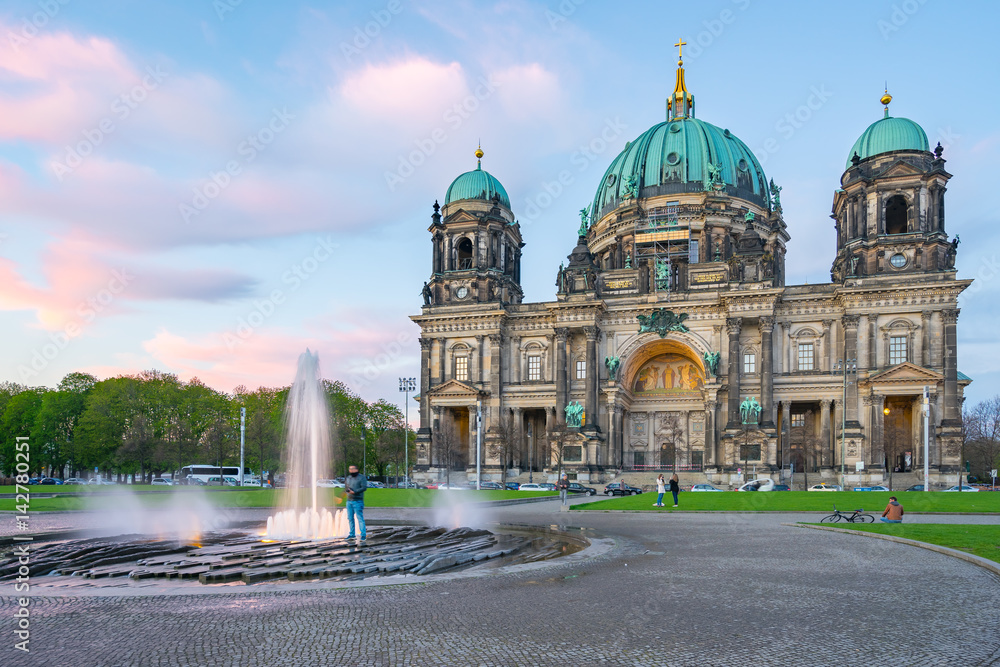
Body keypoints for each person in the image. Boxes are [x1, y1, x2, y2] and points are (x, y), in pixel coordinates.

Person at [345, 464, 367, 540]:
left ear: (356, 470)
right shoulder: (348, 478)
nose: (350, 470)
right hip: (349, 501)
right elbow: (347, 487)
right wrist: (347, 491)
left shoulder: (361, 478)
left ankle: (363, 535)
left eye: (352, 469)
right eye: (349, 469)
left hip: (358, 501)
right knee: (350, 518)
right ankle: (352, 534)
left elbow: (364, 487)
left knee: (359, 518)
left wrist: (354, 492)